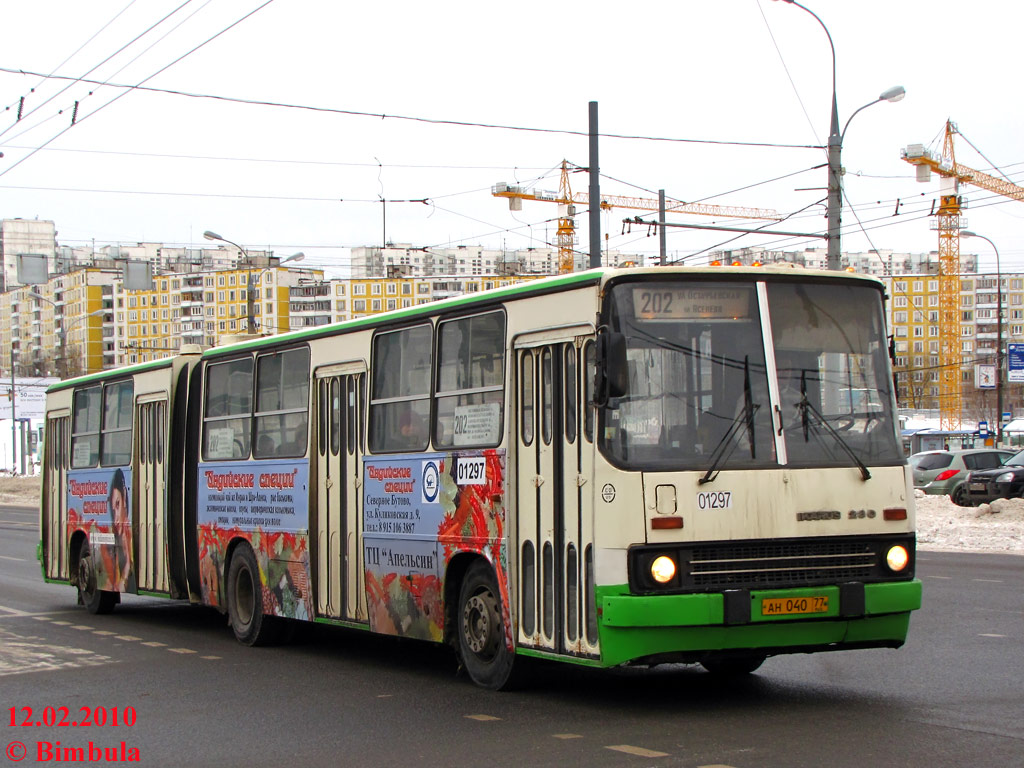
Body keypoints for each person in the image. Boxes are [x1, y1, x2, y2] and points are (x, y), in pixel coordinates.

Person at [103, 468, 136, 593]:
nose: (116, 517)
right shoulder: (113, 547)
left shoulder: (133, 537)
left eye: (118, 504)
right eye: (113, 509)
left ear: (125, 500)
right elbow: (111, 585)